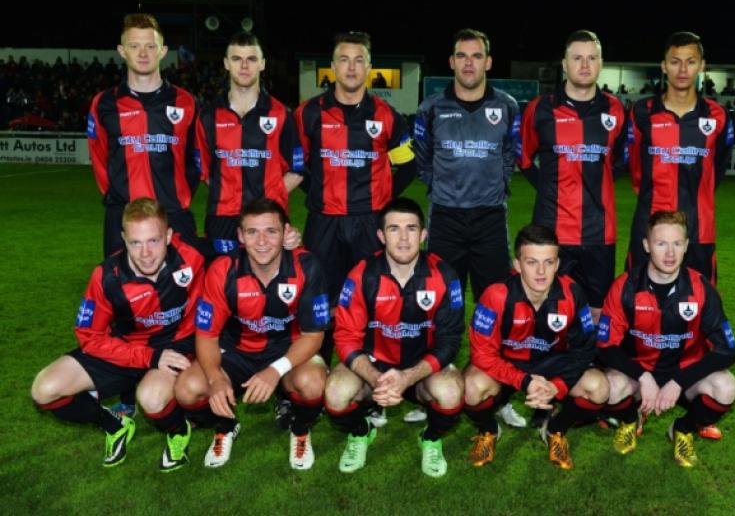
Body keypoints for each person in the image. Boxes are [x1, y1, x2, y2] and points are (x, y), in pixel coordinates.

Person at [31, 198, 205, 471]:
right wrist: (149, 356)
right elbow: (90, 337)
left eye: (154, 241)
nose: (145, 252)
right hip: (126, 350)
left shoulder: (192, 256)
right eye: (136, 242)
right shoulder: (106, 277)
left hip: (173, 347)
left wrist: (292, 244)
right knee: (44, 390)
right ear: (123, 238)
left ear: (169, 236)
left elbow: (252, 246)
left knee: (151, 398)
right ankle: (115, 424)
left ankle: (177, 430)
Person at [174, 198, 330, 470]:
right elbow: (207, 336)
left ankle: (300, 428)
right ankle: (226, 425)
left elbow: (313, 335)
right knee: (188, 389)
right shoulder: (223, 270)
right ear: (240, 236)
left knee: (313, 383)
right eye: (252, 232)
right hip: (236, 351)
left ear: (285, 233)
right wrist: (215, 379)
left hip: (288, 349)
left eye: (271, 231)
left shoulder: (307, 266)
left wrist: (274, 371)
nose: (262, 241)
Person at [324, 198, 464, 477]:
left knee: (451, 393)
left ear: (423, 235)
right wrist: (376, 378)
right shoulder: (362, 274)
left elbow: (450, 339)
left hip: (422, 370)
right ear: (380, 235)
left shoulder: (444, 275)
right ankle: (361, 431)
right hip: (374, 367)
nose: (403, 238)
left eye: (411, 229)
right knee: (335, 393)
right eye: (394, 229)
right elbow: (346, 336)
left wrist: (408, 377)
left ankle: (432, 438)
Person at [598, 210, 735, 468]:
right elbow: (604, 347)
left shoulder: (701, 288)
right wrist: (642, 376)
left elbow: (728, 350)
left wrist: (678, 381)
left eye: (677, 244)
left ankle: (682, 429)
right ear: (646, 246)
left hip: (685, 375)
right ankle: (631, 421)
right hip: (640, 374)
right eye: (661, 243)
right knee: (608, 388)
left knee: (726, 387)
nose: (670, 253)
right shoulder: (625, 287)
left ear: (686, 246)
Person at [295, 30, 415, 327]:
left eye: (359, 60)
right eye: (344, 60)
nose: (351, 67)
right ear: (332, 67)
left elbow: (409, 165)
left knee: (373, 298)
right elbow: (297, 167)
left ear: (369, 68)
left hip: (370, 223)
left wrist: (383, 202)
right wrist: (318, 194)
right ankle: (319, 367)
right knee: (319, 299)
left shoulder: (388, 116)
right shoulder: (308, 114)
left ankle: (370, 366)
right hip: (323, 222)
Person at [463, 224, 608, 470]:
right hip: (508, 365)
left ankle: (554, 430)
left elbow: (584, 349)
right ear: (517, 265)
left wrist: (557, 385)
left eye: (549, 262)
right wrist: (525, 381)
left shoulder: (572, 292)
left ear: (558, 264)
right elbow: (482, 353)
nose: (541, 272)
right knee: (470, 388)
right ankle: (489, 431)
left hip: (554, 363)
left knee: (599, 388)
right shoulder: (496, 295)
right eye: (531, 262)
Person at [518, 30, 627, 326]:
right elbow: (523, 155)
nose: (584, 64)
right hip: (551, 232)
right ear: (564, 64)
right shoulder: (540, 108)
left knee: (597, 312)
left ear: (601, 63)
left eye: (592, 58)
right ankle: (548, 367)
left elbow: (622, 158)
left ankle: (593, 367)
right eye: (577, 58)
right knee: (548, 307)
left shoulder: (615, 110)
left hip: (598, 232)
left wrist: (598, 182)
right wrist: (547, 186)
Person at [414, 28, 519, 304]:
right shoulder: (432, 107)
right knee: (443, 300)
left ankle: (491, 350)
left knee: (496, 300)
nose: (469, 63)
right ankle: (442, 349)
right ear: (451, 62)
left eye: (476, 56)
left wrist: (499, 182)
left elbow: (510, 154)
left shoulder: (506, 106)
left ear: (488, 62)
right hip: (445, 219)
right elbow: (422, 157)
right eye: (462, 56)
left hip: (490, 218)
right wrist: (440, 185)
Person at [88, 13, 200, 257]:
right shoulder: (104, 103)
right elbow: (98, 155)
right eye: (134, 46)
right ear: (122, 50)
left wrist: (176, 195)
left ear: (162, 51)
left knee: (183, 292)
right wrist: (118, 197)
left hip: (174, 215)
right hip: (122, 215)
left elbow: (196, 159)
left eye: (150, 46)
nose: (143, 53)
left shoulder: (187, 102)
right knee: (122, 291)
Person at [627, 32, 734, 285]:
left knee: (700, 305)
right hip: (649, 225)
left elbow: (717, 169)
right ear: (664, 66)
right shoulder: (642, 113)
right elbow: (635, 168)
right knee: (639, 300)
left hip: (699, 229)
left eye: (690, 61)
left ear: (702, 65)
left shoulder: (718, 116)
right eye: (675, 61)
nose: (683, 69)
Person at [196, 31, 303, 258]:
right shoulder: (208, 115)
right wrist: (230, 192)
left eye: (252, 59)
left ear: (262, 64)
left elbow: (297, 170)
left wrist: (267, 200)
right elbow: (205, 172)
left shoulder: (282, 114)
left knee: (269, 283)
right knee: (221, 282)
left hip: (268, 217)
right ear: (226, 64)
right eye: (237, 59)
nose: (244, 66)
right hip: (222, 217)